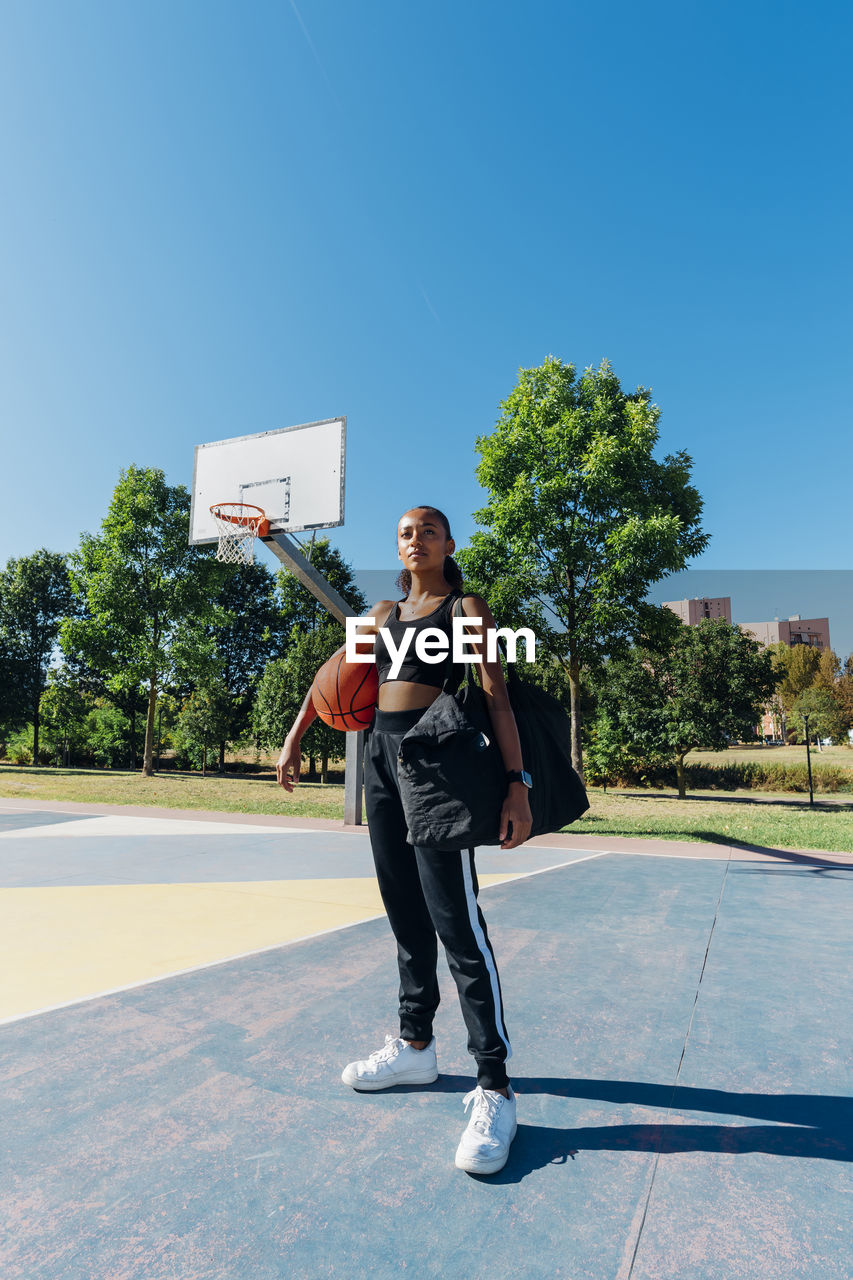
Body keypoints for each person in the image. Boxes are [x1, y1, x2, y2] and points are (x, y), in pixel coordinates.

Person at [276, 506, 533, 1175]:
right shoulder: (383, 614)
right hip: (379, 766)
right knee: (404, 917)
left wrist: (516, 783)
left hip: (435, 762)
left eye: (425, 530)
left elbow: (496, 696)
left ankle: (495, 1088)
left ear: (448, 544)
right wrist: (295, 735)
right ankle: (416, 1047)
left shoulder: (464, 607)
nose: (412, 539)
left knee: (457, 924)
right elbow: (331, 676)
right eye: (402, 533)